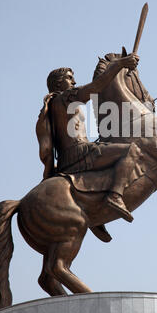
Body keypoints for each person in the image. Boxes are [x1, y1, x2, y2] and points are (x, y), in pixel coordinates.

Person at [36, 52, 142, 222]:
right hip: (80, 153)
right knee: (131, 151)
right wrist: (120, 64)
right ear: (58, 83)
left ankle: (93, 207)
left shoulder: (52, 105)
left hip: (66, 159)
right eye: (70, 78)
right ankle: (115, 196)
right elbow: (96, 88)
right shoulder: (65, 98)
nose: (74, 82)